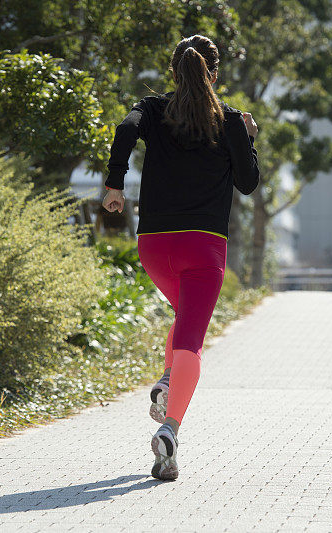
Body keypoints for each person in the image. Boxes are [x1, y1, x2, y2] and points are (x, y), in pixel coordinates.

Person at [101, 34, 259, 481]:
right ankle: (169, 431)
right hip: (203, 246)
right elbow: (247, 183)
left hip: (154, 245)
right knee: (191, 336)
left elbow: (125, 129)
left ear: (174, 72)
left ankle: (168, 382)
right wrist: (246, 139)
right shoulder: (229, 120)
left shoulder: (153, 108)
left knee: (184, 316)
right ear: (215, 73)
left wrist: (115, 183)